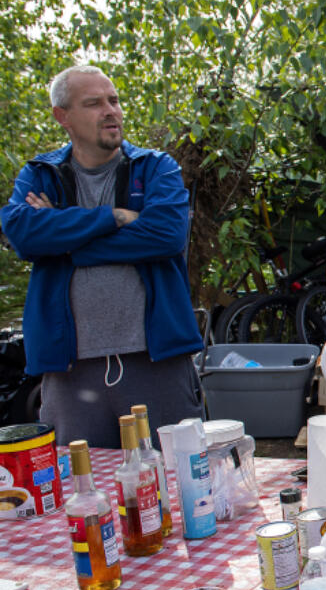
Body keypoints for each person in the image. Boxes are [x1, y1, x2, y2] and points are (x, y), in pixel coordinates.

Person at [0, 65, 203, 448]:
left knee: (176, 482)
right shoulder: (40, 173)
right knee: (82, 489)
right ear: (64, 117)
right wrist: (114, 217)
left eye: (113, 100)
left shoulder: (155, 167)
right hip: (70, 370)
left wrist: (63, 241)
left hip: (156, 360)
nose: (110, 111)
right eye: (94, 103)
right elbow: (24, 236)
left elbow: (165, 236)